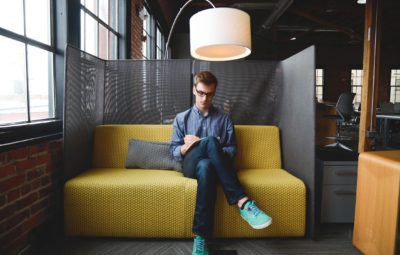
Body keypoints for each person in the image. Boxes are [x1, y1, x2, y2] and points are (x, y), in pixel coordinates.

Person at [170, 71, 272, 255]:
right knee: (209, 142)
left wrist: (212, 147)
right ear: (194, 90)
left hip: (212, 168)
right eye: (201, 93)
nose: (204, 98)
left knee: (207, 165)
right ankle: (243, 202)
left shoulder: (224, 119)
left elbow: (232, 150)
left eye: (209, 94)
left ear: (214, 93)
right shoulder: (181, 118)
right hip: (190, 165)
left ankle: (200, 238)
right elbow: (174, 152)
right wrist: (188, 146)